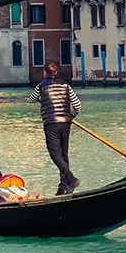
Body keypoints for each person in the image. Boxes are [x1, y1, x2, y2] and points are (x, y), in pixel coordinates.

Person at [29, 60, 81, 195]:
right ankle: (63, 187)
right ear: (56, 72)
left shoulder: (41, 86)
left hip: (51, 123)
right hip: (66, 123)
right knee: (63, 155)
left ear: (44, 73)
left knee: (55, 154)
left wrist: (41, 99)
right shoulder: (66, 85)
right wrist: (71, 116)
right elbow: (77, 105)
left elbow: (31, 99)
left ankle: (71, 179)